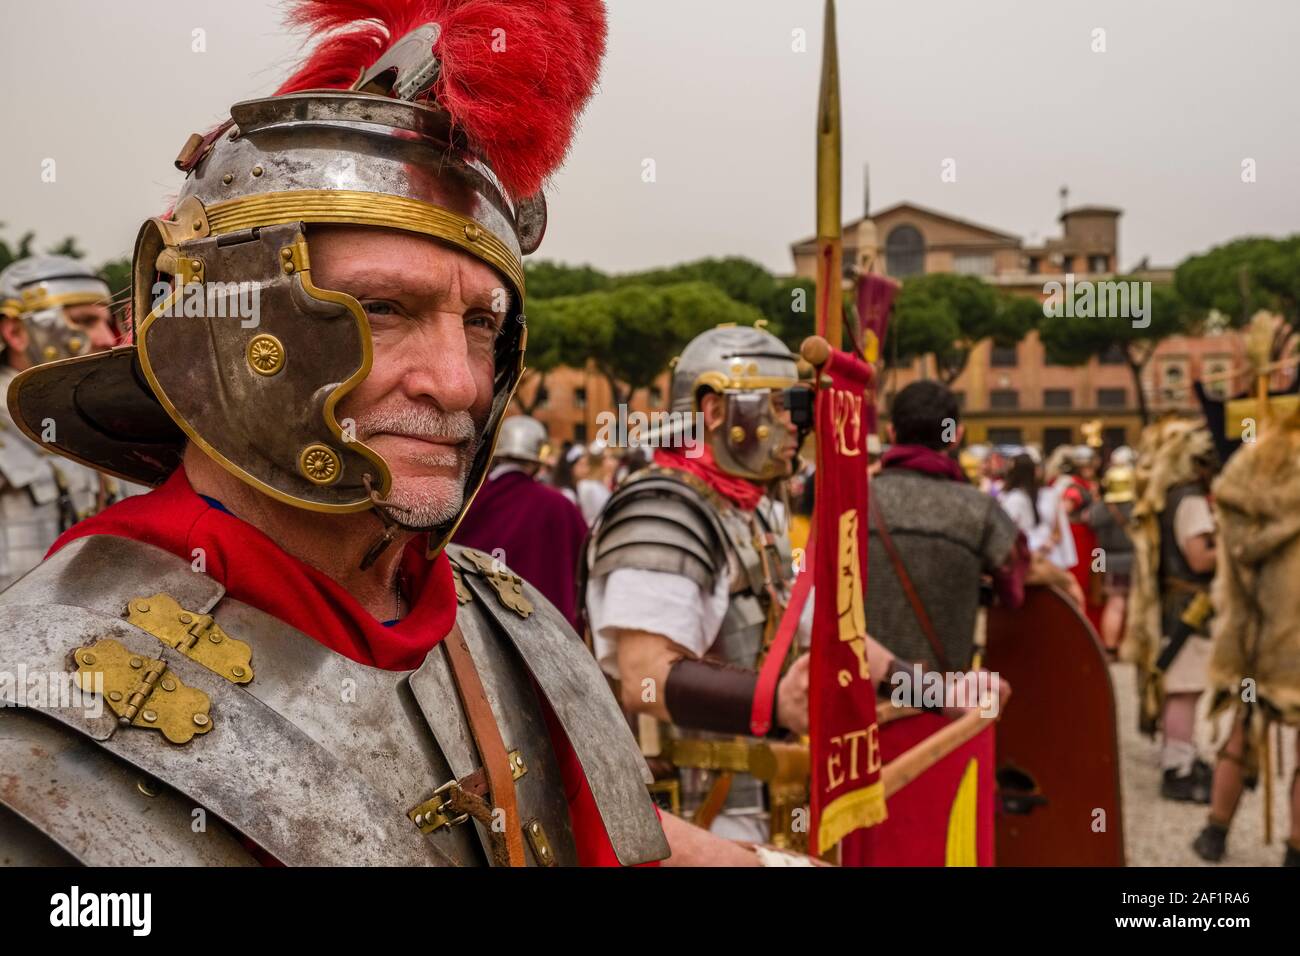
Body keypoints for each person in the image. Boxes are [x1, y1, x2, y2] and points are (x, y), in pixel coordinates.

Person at [0, 0, 759, 867]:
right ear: (227, 324)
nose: (459, 381)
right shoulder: (46, 695)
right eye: (383, 308)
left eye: (480, 322)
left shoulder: (510, 625)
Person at [583, 324, 912, 845]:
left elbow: (831, 635)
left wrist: (931, 687)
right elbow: (642, 677)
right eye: (780, 407)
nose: (795, 426)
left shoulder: (754, 512)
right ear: (714, 410)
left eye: (798, 409)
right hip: (690, 814)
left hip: (768, 795)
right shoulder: (663, 510)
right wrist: (778, 701)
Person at [868, 382, 1077, 674]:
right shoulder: (980, 511)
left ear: (891, 433)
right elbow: (1021, 572)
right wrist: (1066, 582)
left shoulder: (851, 502)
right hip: (940, 703)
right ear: (955, 436)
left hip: (857, 699)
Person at [1192, 410, 1300, 866]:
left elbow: (1233, 545)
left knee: (1241, 728)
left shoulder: (1249, 464)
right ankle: (1296, 849)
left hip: (1253, 627)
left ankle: (1215, 831)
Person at [0, 256, 130, 589]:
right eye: (84, 321)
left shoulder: (119, 423)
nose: (106, 339)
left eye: (107, 322)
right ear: (15, 332)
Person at [1124, 419, 1220, 804]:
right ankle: (1177, 768)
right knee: (1184, 691)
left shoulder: (1170, 496)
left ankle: (1179, 757)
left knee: (1179, 689)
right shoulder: (1190, 499)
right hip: (1189, 610)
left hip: (1174, 608)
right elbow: (1199, 558)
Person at [452, 415, 589, 630]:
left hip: (471, 623)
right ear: (537, 462)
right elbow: (583, 565)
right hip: (545, 626)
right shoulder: (561, 505)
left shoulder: (464, 499)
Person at [1089, 449, 1136, 655]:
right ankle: (1128, 646)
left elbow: (1090, 520)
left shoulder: (1103, 507)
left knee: (1115, 603)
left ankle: (1110, 646)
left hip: (1108, 558)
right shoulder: (1136, 505)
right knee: (1133, 606)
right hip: (1134, 558)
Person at [1000, 452, 1076, 572]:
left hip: (1050, 552)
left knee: (1067, 583)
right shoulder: (1013, 498)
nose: (1038, 471)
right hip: (1025, 555)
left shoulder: (1050, 495)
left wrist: (1047, 545)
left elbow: (1058, 528)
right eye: (1035, 467)